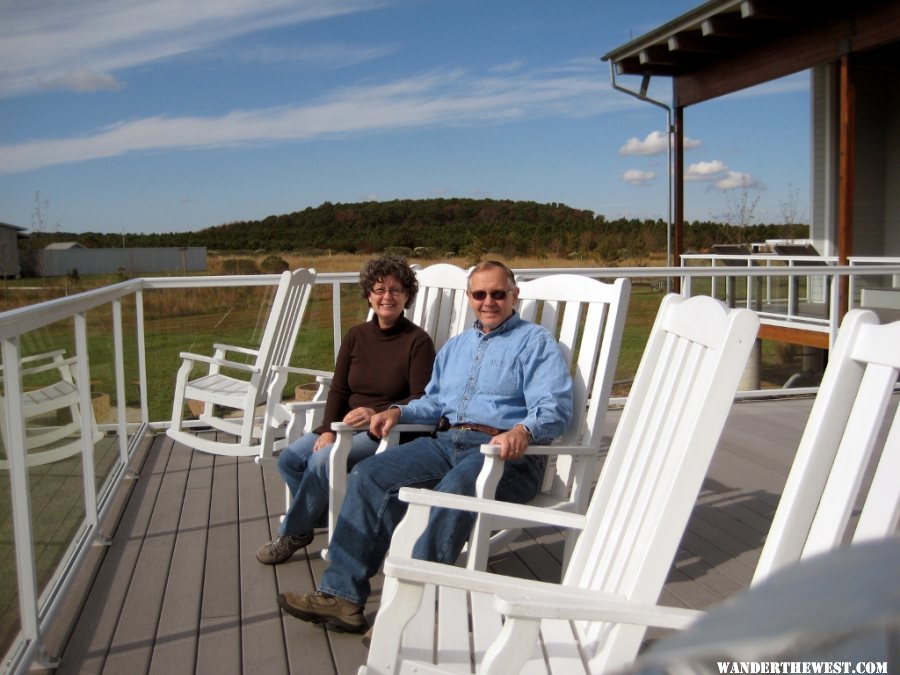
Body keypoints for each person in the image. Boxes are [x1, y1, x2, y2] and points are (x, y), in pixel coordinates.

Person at [276, 260, 574, 633]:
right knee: (369, 474)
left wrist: (523, 431)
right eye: (480, 294)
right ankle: (342, 596)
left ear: (514, 296)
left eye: (498, 294)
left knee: (452, 492)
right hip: (447, 441)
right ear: (469, 298)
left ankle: (414, 613)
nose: (489, 302)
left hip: (504, 455)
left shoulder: (534, 342)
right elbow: (433, 402)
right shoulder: (457, 346)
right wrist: (398, 411)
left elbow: (555, 408)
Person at [256, 256, 436, 565]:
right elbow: (338, 389)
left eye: (396, 289)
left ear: (407, 295)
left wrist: (375, 412)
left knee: (323, 460)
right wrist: (328, 429)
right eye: (379, 289)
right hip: (343, 426)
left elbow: (421, 398)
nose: (387, 297)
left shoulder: (417, 341)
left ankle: (293, 532)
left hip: (384, 430)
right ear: (369, 294)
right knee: (289, 460)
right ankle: (323, 514)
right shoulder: (356, 336)